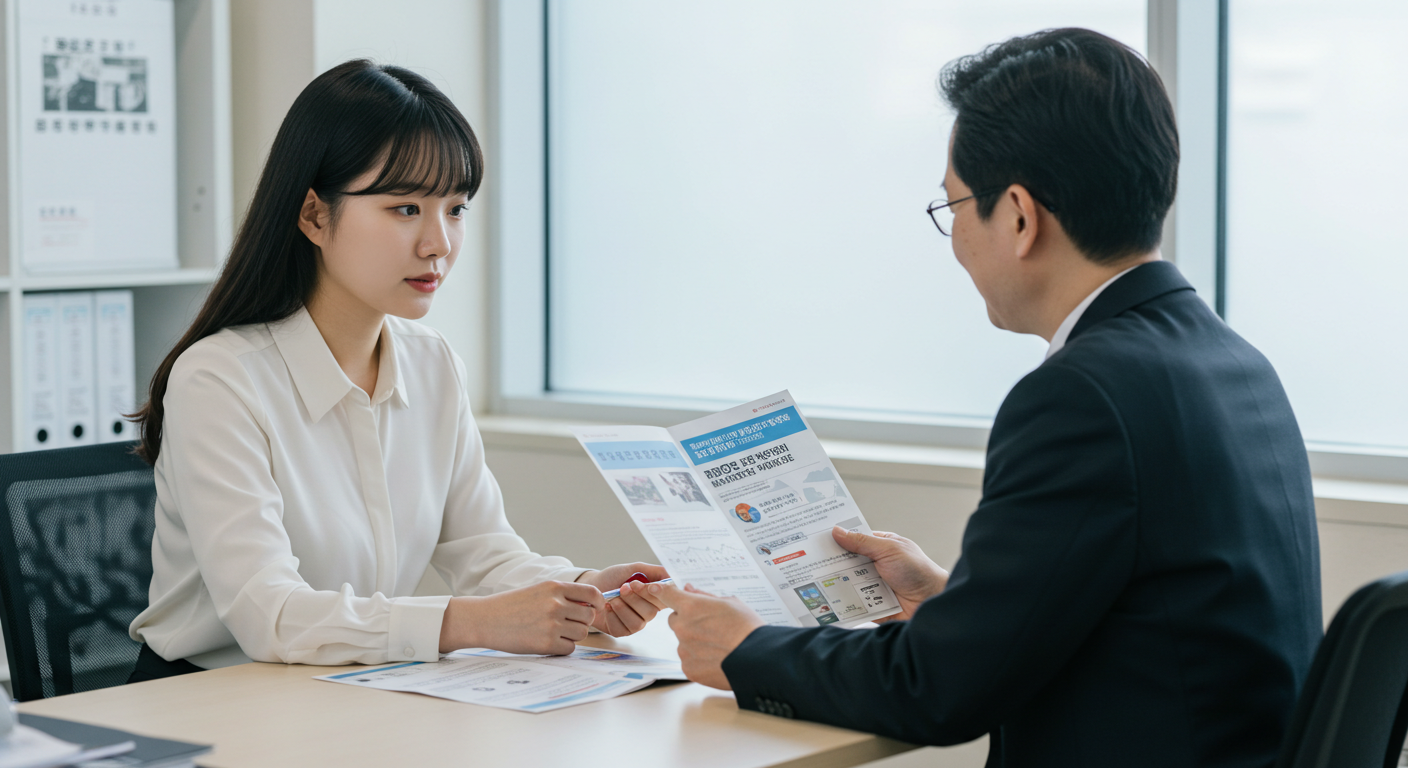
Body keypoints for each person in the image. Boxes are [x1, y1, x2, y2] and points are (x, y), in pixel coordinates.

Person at [645, 28, 1321, 768]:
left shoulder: (1082, 397)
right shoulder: (1232, 362)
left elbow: (936, 692)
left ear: (1021, 217)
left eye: (956, 207)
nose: (957, 239)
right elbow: (1146, 613)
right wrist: (952, 601)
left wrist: (747, 652)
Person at [127, 60, 665, 681]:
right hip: (211, 697)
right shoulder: (220, 379)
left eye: (456, 209)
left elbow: (484, 553)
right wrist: (477, 622)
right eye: (406, 208)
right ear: (314, 216)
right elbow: (269, 614)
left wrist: (585, 593)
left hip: (353, 686)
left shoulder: (432, 363)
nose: (438, 243)